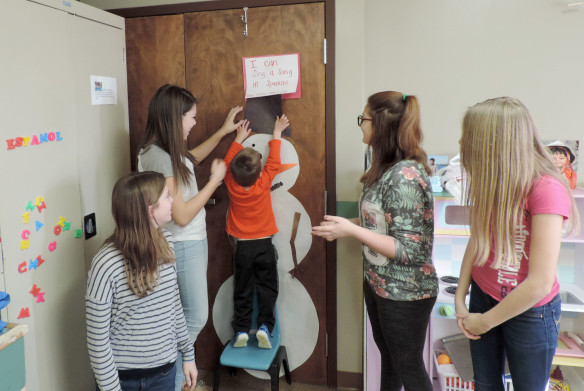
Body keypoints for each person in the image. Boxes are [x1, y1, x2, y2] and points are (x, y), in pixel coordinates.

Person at [312, 91, 438, 391]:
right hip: (379, 284)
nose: (360, 124)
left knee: (408, 366)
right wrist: (347, 226)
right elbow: (383, 223)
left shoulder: (405, 176)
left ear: (379, 124)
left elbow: (409, 250)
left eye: (363, 118)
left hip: (404, 294)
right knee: (391, 360)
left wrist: (352, 231)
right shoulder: (385, 170)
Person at [454, 97, 580, 391]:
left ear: (490, 143)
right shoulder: (495, 181)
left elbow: (538, 283)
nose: (462, 142)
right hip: (484, 296)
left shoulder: (546, 189)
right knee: (485, 383)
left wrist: (483, 323)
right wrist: (461, 297)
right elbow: (478, 242)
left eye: (468, 136)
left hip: (530, 309)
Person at [137, 84, 243, 390]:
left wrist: (224, 132)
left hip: (186, 244)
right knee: (194, 317)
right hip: (182, 245)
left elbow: (189, 159)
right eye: (192, 118)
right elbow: (181, 214)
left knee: (184, 317)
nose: (195, 123)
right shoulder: (159, 157)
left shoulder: (162, 151)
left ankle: (179, 380)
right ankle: (171, 380)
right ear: (175, 117)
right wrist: (215, 181)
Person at [86, 171, 197, 391]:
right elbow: (98, 342)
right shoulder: (105, 263)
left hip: (164, 373)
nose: (172, 199)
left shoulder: (167, 245)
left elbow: (174, 305)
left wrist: (188, 354)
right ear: (150, 210)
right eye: (167, 196)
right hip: (121, 380)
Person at [223, 114, 290, 349]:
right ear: (259, 172)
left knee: (243, 289)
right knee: (267, 288)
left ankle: (241, 330)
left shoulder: (231, 183)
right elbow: (274, 161)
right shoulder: (263, 182)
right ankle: (264, 327)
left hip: (242, 248)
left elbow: (225, 165)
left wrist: (239, 138)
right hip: (263, 246)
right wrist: (277, 133)